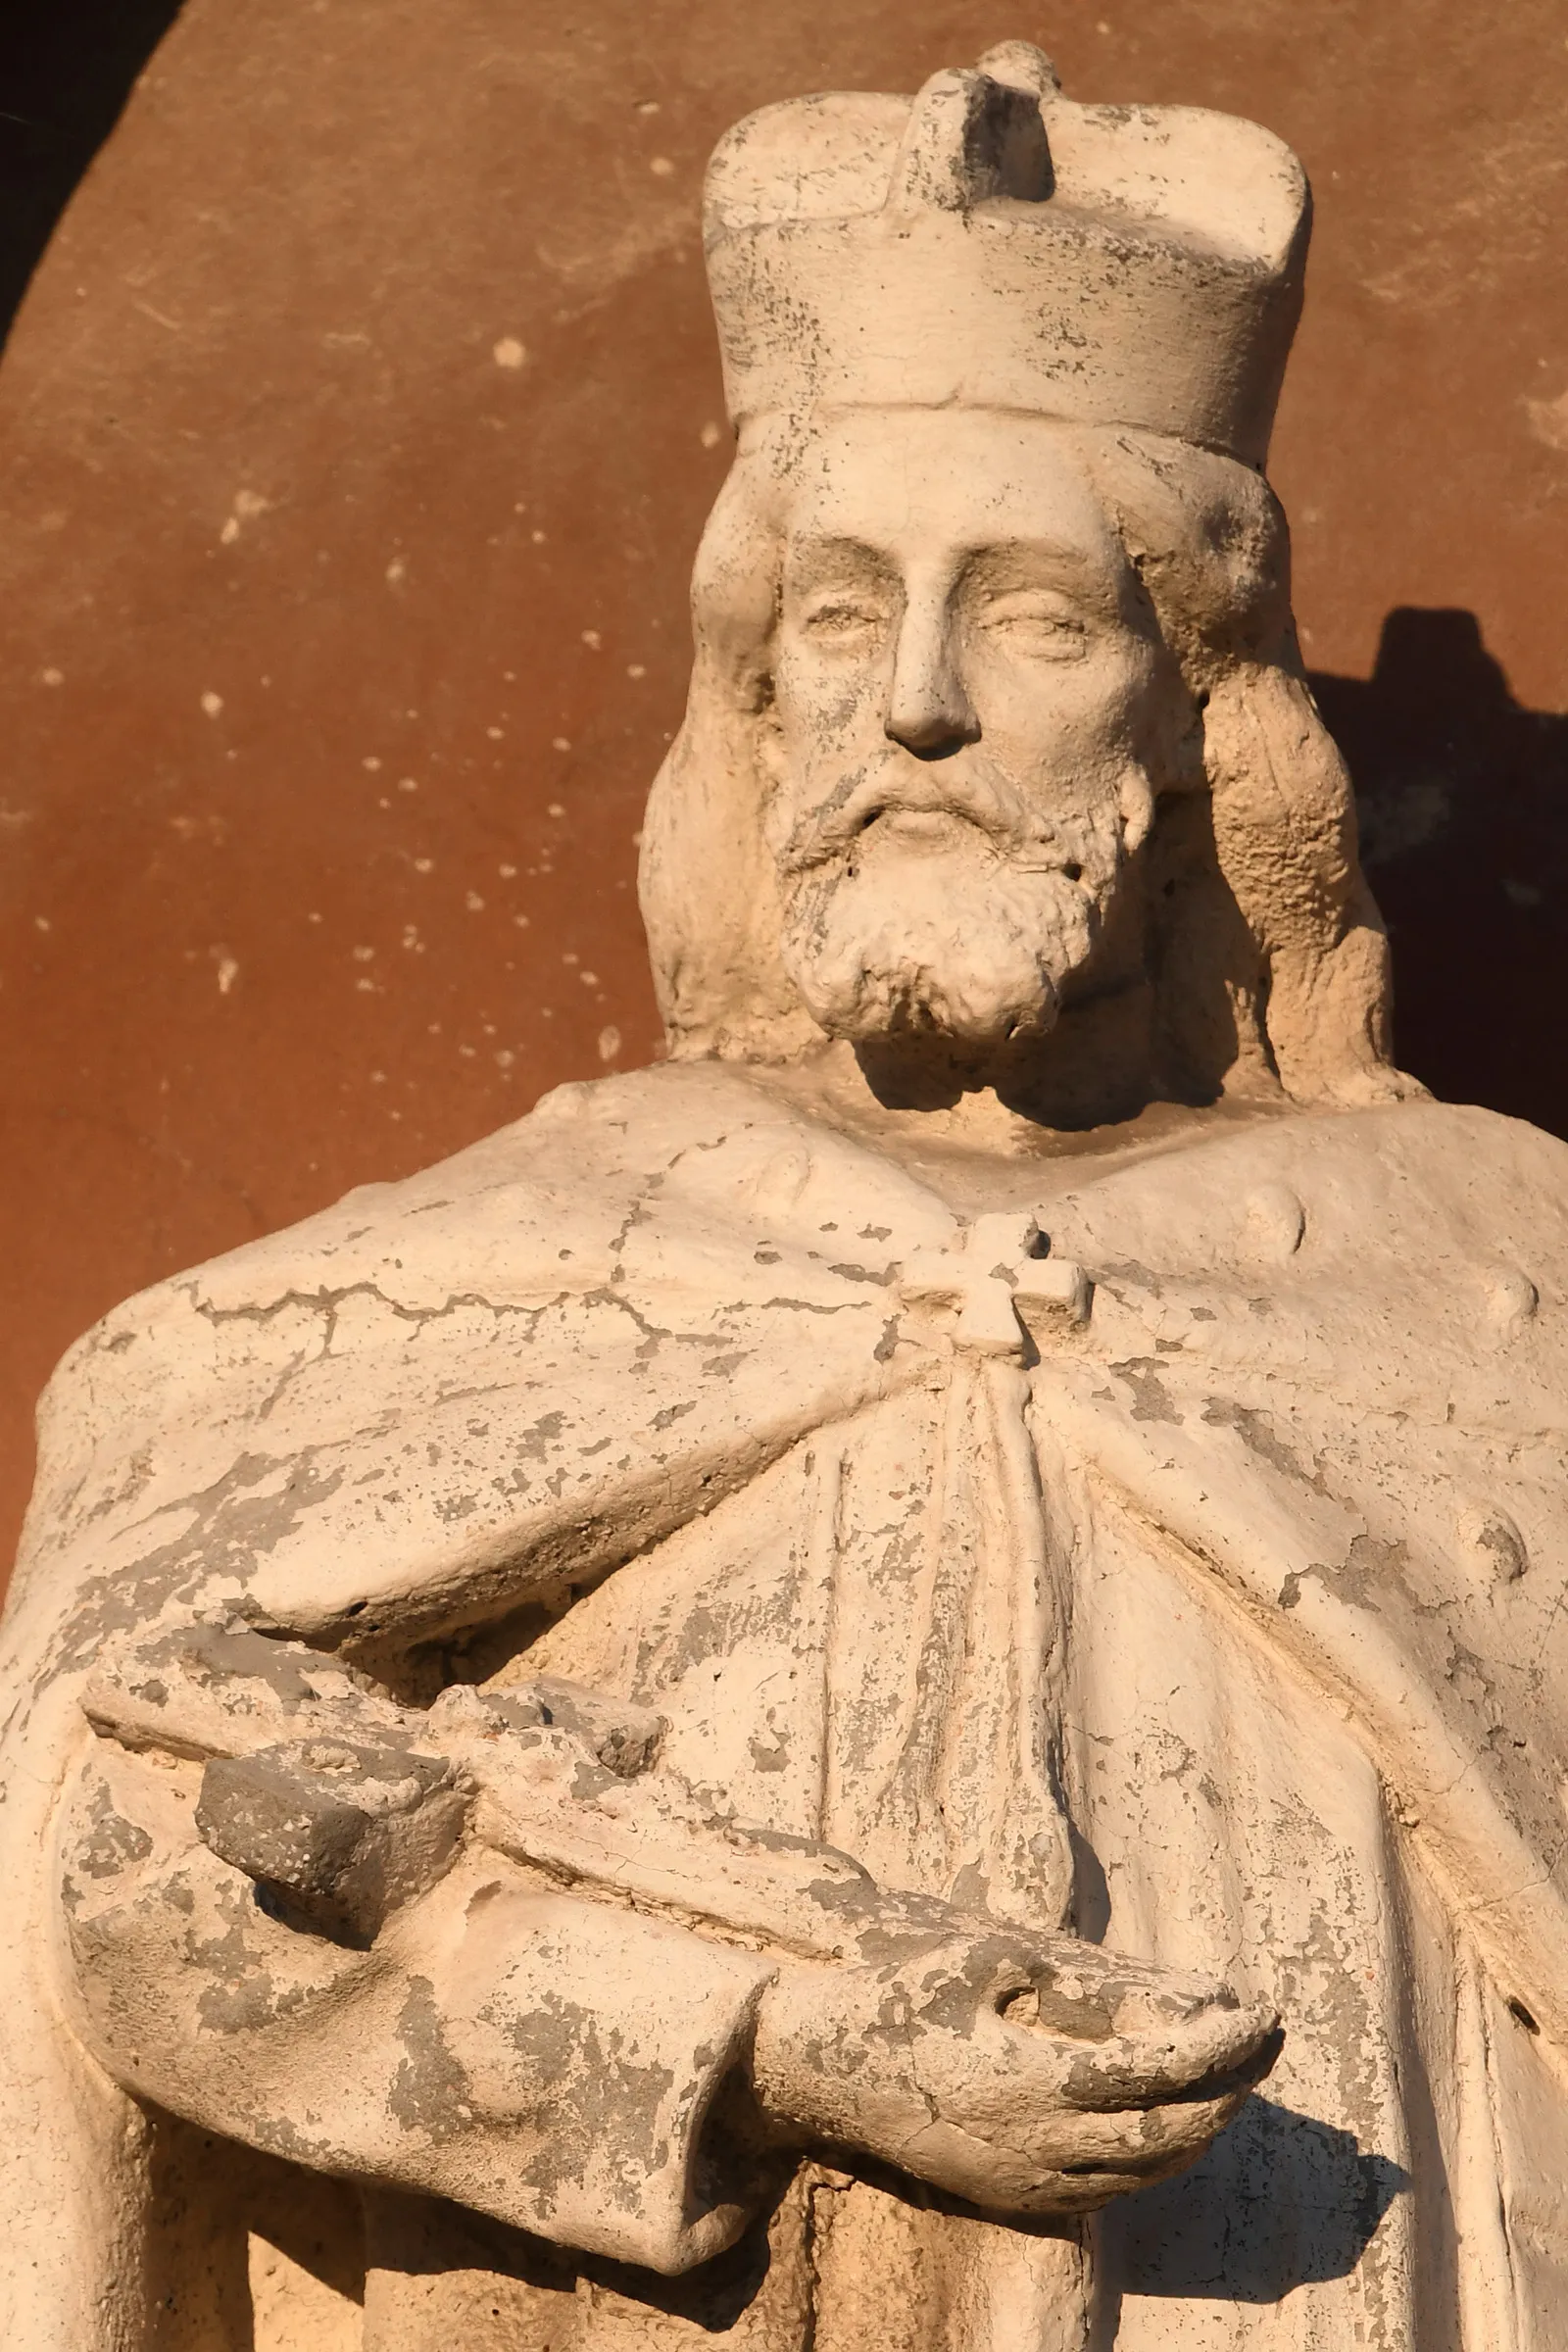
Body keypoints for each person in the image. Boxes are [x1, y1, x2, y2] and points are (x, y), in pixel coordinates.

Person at [7, 42, 1568, 2352]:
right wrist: (739, 2029)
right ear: (750, 704)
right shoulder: (427, 1305)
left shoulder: (1493, 1286)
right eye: (839, 619)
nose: (913, 703)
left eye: (1033, 618)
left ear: (1189, 720)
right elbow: (106, 1839)